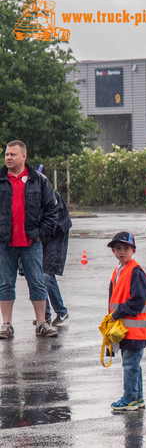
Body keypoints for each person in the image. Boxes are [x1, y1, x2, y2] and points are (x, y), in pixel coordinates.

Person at [0, 141, 58, 339]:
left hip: (31, 242)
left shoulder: (38, 180)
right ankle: (6, 324)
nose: (8, 158)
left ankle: (42, 323)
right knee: (5, 284)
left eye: (13, 154)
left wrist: (42, 233)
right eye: (7, 154)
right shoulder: (0, 179)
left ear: (24, 157)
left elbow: (52, 208)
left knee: (37, 282)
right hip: (5, 243)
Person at [107, 232, 146, 412]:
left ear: (133, 250)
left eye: (126, 248)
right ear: (113, 251)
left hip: (135, 330)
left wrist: (118, 313)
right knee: (133, 364)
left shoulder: (135, 271)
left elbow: (138, 300)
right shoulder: (119, 270)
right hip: (124, 329)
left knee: (130, 365)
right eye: (118, 248)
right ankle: (137, 397)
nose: (122, 252)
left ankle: (130, 398)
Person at [38, 165, 72, 326]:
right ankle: (44, 315)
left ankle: (61, 311)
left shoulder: (52, 196)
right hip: (44, 239)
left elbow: (59, 224)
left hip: (55, 239)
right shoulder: (35, 196)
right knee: (39, 276)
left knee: (47, 275)